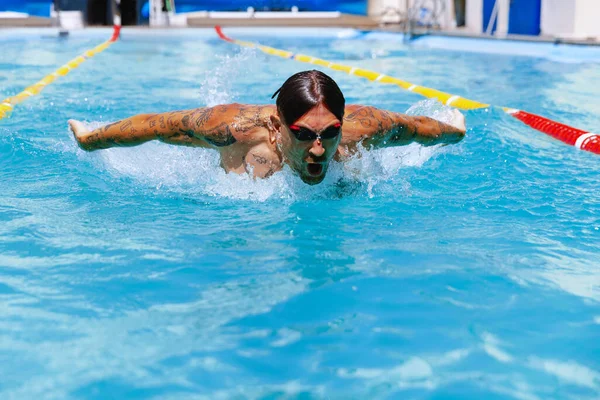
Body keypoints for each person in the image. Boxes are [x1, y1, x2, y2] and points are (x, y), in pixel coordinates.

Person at [69, 70, 466, 185]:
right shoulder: (235, 129)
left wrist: (454, 130)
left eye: (328, 133)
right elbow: (159, 125)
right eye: (304, 134)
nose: (318, 149)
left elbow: (410, 127)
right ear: (277, 126)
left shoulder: (360, 129)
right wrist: (92, 140)